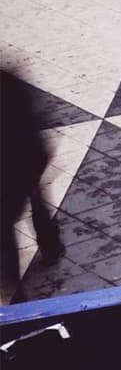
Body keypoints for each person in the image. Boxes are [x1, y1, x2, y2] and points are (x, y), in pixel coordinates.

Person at [1, 68, 63, 302]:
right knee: (36, 198)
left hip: (12, 164)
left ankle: (13, 286)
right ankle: (51, 245)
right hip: (30, 154)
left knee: (4, 224)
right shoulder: (8, 79)